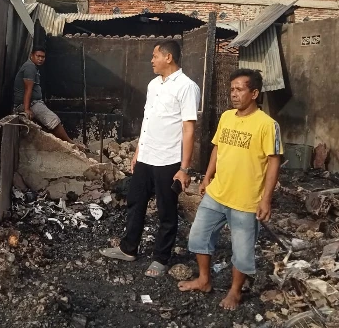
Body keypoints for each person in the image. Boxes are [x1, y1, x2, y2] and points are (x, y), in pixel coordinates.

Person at [178, 69, 282, 310]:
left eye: (240, 89)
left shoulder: (267, 125)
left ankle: (235, 292)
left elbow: (274, 162)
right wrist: (206, 178)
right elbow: (217, 148)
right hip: (217, 194)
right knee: (198, 237)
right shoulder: (226, 117)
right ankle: (204, 280)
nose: (234, 94)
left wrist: (266, 199)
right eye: (232, 89)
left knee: (242, 252)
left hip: (246, 201)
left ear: (254, 93)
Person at [100, 40, 201, 278]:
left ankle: (161, 258)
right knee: (135, 202)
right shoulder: (154, 84)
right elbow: (147, 122)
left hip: (168, 160)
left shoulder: (187, 87)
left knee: (166, 211)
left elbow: (189, 129)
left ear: (168, 57)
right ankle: (128, 248)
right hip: (146, 156)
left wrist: (184, 168)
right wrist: (137, 152)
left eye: (155, 56)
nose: (151, 60)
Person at [13, 47, 79, 146]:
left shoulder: (33, 67)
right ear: (32, 55)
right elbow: (28, 89)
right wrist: (26, 109)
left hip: (34, 102)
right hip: (31, 103)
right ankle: (70, 143)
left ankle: (66, 143)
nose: (40, 59)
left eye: (43, 57)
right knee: (53, 120)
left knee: (49, 123)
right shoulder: (29, 68)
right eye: (38, 56)